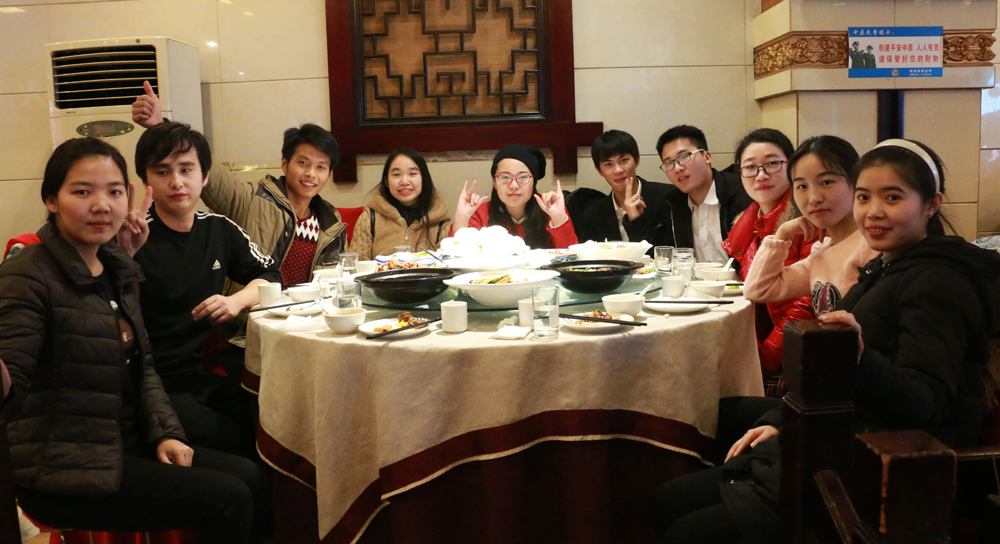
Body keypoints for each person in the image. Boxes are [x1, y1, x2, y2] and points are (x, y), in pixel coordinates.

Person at [650, 139, 1000, 544]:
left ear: (931, 204)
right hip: (838, 429)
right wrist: (781, 422)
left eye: (892, 197)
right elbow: (763, 295)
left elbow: (924, 405)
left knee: (683, 525)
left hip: (880, 460)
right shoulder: (886, 265)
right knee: (666, 500)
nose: (873, 211)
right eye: (865, 197)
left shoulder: (936, 281)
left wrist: (856, 354)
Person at [0, 138, 267, 543]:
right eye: (82, 192)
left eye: (114, 192)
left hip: (124, 438)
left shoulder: (115, 267)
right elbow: (11, 387)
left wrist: (166, 432)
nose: (102, 205)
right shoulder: (28, 274)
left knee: (249, 475)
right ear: (51, 200)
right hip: (67, 464)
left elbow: (143, 367)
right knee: (230, 498)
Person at [119, 121, 281, 458]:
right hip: (149, 385)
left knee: (274, 417)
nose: (176, 182)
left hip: (196, 377)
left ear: (204, 176)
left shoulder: (220, 231)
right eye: (162, 171)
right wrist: (121, 254)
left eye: (186, 169)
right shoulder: (133, 239)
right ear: (146, 180)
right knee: (242, 444)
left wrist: (236, 301)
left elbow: (271, 276)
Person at [132, 81, 347, 287]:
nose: (310, 174)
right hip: (251, 309)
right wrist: (159, 125)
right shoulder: (251, 199)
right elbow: (206, 168)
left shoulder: (330, 221)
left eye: (321, 167)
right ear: (284, 163)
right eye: (303, 163)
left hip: (308, 311)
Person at [744, 135, 878, 315]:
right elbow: (758, 290)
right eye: (802, 186)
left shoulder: (872, 246)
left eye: (826, 182)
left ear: (856, 183)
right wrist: (782, 234)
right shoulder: (822, 253)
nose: (814, 198)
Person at [723, 129, 814, 386]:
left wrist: (763, 359)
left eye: (772, 164)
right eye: (750, 167)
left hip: (802, 356)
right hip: (766, 351)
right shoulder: (748, 225)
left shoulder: (807, 221)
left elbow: (809, 303)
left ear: (792, 166)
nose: (761, 175)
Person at [654, 125, 752, 262]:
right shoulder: (674, 205)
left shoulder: (743, 193)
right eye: (669, 163)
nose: (677, 168)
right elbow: (660, 259)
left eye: (684, 156)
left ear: (707, 157)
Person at [451, 144, 578, 248]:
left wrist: (559, 218)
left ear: (533, 182)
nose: (514, 185)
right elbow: (456, 257)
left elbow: (570, 257)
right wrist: (462, 217)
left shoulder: (550, 210)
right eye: (505, 177)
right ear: (495, 182)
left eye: (523, 177)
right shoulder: (479, 213)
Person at [577, 129, 677, 246]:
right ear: (599, 170)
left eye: (624, 160)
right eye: (608, 164)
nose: (618, 170)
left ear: (637, 160)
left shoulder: (669, 199)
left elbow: (670, 252)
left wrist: (635, 221)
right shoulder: (593, 215)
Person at [348, 147, 451, 259]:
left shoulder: (439, 220)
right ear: (386, 181)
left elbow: (447, 264)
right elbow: (356, 265)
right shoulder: (370, 218)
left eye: (412, 173)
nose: (404, 181)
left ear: (424, 179)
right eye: (396, 174)